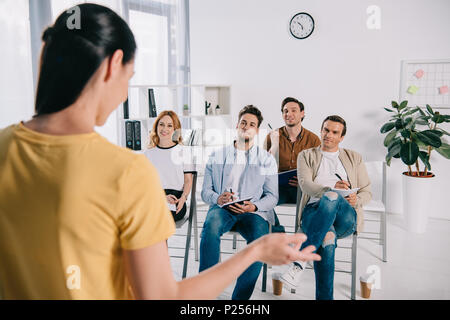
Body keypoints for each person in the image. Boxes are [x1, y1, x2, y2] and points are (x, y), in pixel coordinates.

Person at [0, 4, 321, 300]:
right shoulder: (127, 171)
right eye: (130, 77)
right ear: (113, 65)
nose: (125, 91)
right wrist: (255, 252)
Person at [279, 115, 372, 300]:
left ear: (342, 137)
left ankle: (299, 262)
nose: (328, 135)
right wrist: (331, 189)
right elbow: (305, 185)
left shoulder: (354, 157)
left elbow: (367, 192)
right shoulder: (306, 155)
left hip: (345, 216)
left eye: (334, 132)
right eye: (326, 130)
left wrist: (356, 199)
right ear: (321, 130)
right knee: (327, 239)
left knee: (331, 197)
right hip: (314, 213)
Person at [200, 105, 284, 300]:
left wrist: (254, 206)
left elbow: (272, 197)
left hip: (252, 211)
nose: (246, 127)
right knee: (210, 227)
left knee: (259, 241)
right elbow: (205, 191)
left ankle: (239, 300)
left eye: (252, 124)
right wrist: (217, 198)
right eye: (243, 122)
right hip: (223, 208)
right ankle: (205, 290)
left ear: (257, 130)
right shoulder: (217, 156)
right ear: (236, 125)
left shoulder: (266, 160)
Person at [264, 97, 321, 232]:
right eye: (285, 111)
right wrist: (275, 144)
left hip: (303, 190)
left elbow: (319, 169)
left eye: (293, 110)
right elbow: (264, 168)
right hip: (278, 188)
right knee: (261, 201)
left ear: (302, 113)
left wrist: (305, 181)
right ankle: (279, 234)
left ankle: (303, 237)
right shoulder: (272, 136)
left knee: (317, 204)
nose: (288, 114)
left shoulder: (313, 139)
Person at [144, 110, 193, 222]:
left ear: (175, 130)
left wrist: (183, 198)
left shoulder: (184, 151)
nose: (164, 129)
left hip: (176, 200)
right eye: (161, 124)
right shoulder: (148, 154)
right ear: (156, 127)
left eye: (169, 126)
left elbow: (188, 180)